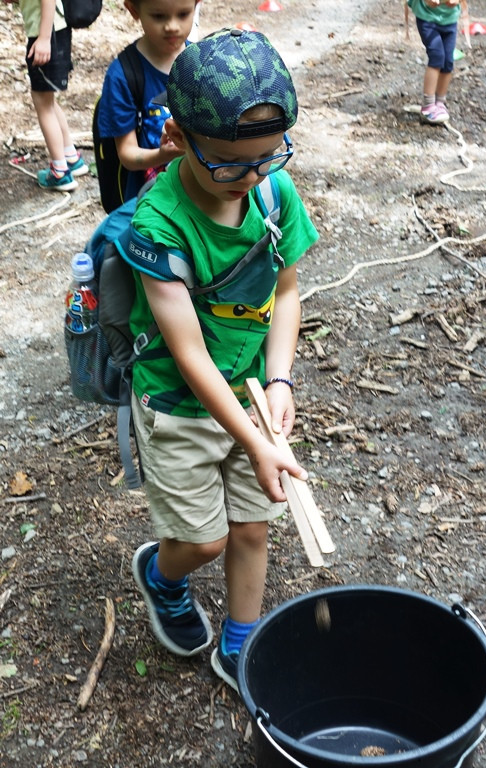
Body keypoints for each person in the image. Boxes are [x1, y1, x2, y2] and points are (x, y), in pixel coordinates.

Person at [123, 27, 319, 690]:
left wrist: (280, 377)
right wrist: (256, 442)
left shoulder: (272, 191)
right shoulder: (159, 225)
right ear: (178, 137)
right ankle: (161, 574)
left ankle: (240, 644)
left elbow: (285, 290)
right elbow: (188, 354)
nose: (253, 177)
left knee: (252, 528)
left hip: (251, 390)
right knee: (202, 540)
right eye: (231, 164)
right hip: (180, 402)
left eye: (269, 156)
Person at [96, 0, 200, 205]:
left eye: (183, 14)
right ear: (134, 10)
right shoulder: (123, 76)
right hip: (150, 201)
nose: (172, 26)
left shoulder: (201, 61)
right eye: (159, 16)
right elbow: (127, 154)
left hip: (199, 194)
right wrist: (162, 155)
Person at [8, 0, 88, 190]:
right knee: (47, 100)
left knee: (42, 103)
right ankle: (70, 157)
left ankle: (60, 172)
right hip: (54, 31)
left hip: (46, 35)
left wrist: (44, 39)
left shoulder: (45, 36)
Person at [407, 0, 461, 125]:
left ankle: (440, 103)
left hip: (450, 19)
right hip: (427, 18)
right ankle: (428, 105)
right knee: (437, 56)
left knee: (448, 61)